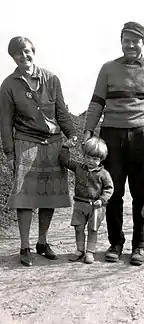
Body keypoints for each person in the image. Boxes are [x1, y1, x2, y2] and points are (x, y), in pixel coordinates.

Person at [83, 22, 144, 266]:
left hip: (143, 134)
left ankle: (139, 246)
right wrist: (88, 132)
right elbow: (96, 103)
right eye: (126, 40)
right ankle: (115, 243)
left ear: (143, 42)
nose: (130, 45)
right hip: (111, 134)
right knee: (113, 191)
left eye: (135, 40)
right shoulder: (108, 69)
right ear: (121, 42)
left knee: (141, 194)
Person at [0, 36, 77, 267]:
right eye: (17, 54)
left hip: (53, 143)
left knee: (49, 195)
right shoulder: (8, 86)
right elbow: (5, 123)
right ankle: (25, 246)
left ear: (33, 51)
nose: (23, 56)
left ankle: (42, 242)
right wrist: (10, 154)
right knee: (25, 197)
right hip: (25, 143)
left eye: (26, 51)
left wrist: (71, 134)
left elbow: (61, 111)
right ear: (12, 57)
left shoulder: (51, 79)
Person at [59, 136, 114, 264]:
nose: (90, 161)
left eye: (95, 158)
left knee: (92, 229)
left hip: (96, 207)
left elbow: (109, 188)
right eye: (88, 157)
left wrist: (102, 200)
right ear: (84, 155)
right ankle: (79, 250)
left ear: (101, 159)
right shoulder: (79, 168)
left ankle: (90, 251)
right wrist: (65, 147)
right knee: (78, 227)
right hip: (79, 204)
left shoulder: (104, 174)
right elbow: (65, 161)